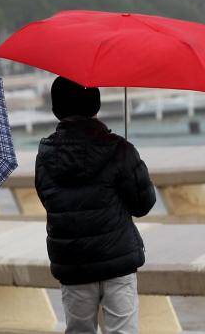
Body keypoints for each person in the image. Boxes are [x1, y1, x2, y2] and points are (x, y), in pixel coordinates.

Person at [35, 77, 156, 334]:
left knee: (79, 330)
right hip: (117, 260)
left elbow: (48, 200)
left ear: (57, 109)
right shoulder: (119, 149)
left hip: (73, 262)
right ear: (96, 105)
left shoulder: (45, 156)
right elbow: (143, 205)